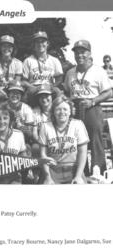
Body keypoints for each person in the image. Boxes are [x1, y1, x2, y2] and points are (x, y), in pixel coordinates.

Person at [63, 40, 112, 175]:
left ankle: (99, 171)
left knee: (95, 138)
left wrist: (93, 101)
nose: (80, 55)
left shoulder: (98, 71)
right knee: (74, 140)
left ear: (89, 53)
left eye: (83, 52)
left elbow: (108, 92)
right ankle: (80, 173)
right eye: (77, 52)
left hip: (92, 106)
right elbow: (66, 91)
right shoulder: (70, 73)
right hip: (74, 108)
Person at [39, 95, 89, 184]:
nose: (62, 112)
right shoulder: (45, 126)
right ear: (53, 111)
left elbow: (83, 153)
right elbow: (43, 155)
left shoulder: (78, 125)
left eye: (65, 109)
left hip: (73, 168)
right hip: (52, 169)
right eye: (58, 109)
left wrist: (78, 176)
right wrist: (48, 177)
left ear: (70, 111)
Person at [22, 31, 63, 107]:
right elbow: (24, 81)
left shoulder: (54, 60)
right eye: (37, 42)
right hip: (34, 87)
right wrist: (33, 87)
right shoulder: (28, 60)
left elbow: (59, 78)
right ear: (33, 45)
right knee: (27, 94)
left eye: (43, 41)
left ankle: (56, 113)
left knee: (57, 92)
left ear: (47, 43)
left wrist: (53, 86)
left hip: (49, 86)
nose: (40, 44)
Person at [0, 35, 23, 103]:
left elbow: (17, 83)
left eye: (9, 46)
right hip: (0, 90)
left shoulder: (18, 63)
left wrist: (11, 93)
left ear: (13, 48)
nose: (6, 48)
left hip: (14, 89)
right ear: (0, 47)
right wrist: (4, 94)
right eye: (4, 46)